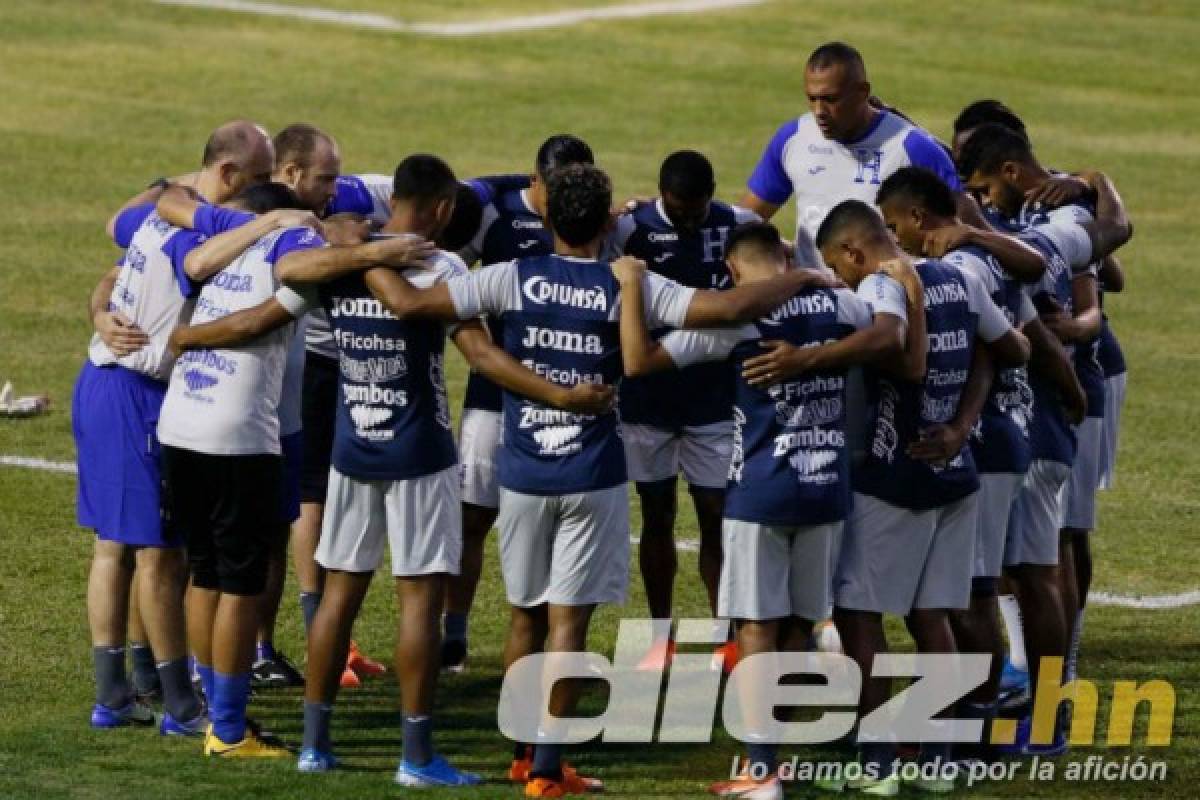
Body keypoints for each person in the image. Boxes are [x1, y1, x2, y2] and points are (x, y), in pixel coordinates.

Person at [353, 162, 834, 797]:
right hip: (594, 473)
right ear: (607, 221)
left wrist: (354, 249)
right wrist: (802, 272)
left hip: (523, 471)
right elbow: (730, 305)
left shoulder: (508, 277)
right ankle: (550, 770)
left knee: (524, 615)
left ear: (546, 217)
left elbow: (408, 301)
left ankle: (524, 755)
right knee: (569, 624)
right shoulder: (630, 282)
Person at [614, 222, 872, 800]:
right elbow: (891, 338)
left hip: (761, 493)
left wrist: (632, 284)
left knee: (756, 626)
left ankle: (761, 771)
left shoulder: (737, 324)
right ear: (784, 256)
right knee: (801, 624)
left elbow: (639, 359)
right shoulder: (844, 306)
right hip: (828, 488)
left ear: (733, 272)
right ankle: (776, 751)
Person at [815, 200, 1030, 792]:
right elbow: (1012, 348)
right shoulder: (959, 279)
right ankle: (936, 759)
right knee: (931, 615)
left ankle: (876, 764)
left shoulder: (886, 287)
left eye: (838, 267)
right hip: (955, 471)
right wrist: (963, 422)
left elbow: (899, 353)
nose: (839, 280)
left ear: (854, 251)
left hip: (893, 477)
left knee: (860, 616)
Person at [875, 166, 1084, 754]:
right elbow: (1028, 334)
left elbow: (997, 346)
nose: (896, 240)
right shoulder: (990, 256)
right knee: (1023, 577)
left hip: (988, 441)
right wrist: (1070, 392)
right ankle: (1037, 722)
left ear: (918, 217)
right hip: (1018, 431)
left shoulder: (958, 267)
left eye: (895, 227)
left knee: (974, 591)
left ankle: (980, 727)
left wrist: (964, 422)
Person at [75, 120, 273, 735]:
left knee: (121, 547)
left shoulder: (162, 220)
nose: (263, 196)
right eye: (259, 182)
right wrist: (273, 224)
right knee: (159, 556)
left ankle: (125, 688)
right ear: (229, 176)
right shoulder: (197, 241)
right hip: (134, 392)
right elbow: (185, 261)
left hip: (107, 384)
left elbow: (117, 235)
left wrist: (101, 307)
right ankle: (180, 705)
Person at [957, 123, 1132, 752]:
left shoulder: (983, 254)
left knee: (1021, 572)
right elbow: (1114, 237)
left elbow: (1027, 332)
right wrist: (1099, 181)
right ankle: (1047, 708)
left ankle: (1001, 713)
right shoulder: (1048, 235)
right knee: (1037, 568)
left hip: (1015, 433)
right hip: (1051, 423)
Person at [443, 134, 596, 673]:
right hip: (495, 392)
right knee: (474, 514)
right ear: (537, 181)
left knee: (561, 519)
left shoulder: (589, 219)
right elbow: (450, 269)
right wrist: (482, 341)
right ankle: (453, 635)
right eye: (561, 187)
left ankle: (549, 641)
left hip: (566, 399)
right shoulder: (496, 214)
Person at [607, 149, 758, 670]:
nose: (692, 218)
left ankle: (727, 635)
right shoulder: (631, 228)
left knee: (719, 516)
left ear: (713, 190)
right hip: (648, 400)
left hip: (715, 400)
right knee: (656, 513)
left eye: (698, 208)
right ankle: (659, 634)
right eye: (680, 209)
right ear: (661, 195)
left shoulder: (739, 224)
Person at [739, 41, 969, 265]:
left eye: (830, 99)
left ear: (862, 92)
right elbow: (747, 221)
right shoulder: (792, 138)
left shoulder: (912, 148)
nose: (819, 111)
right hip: (819, 298)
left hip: (887, 298)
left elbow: (962, 231)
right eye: (812, 98)